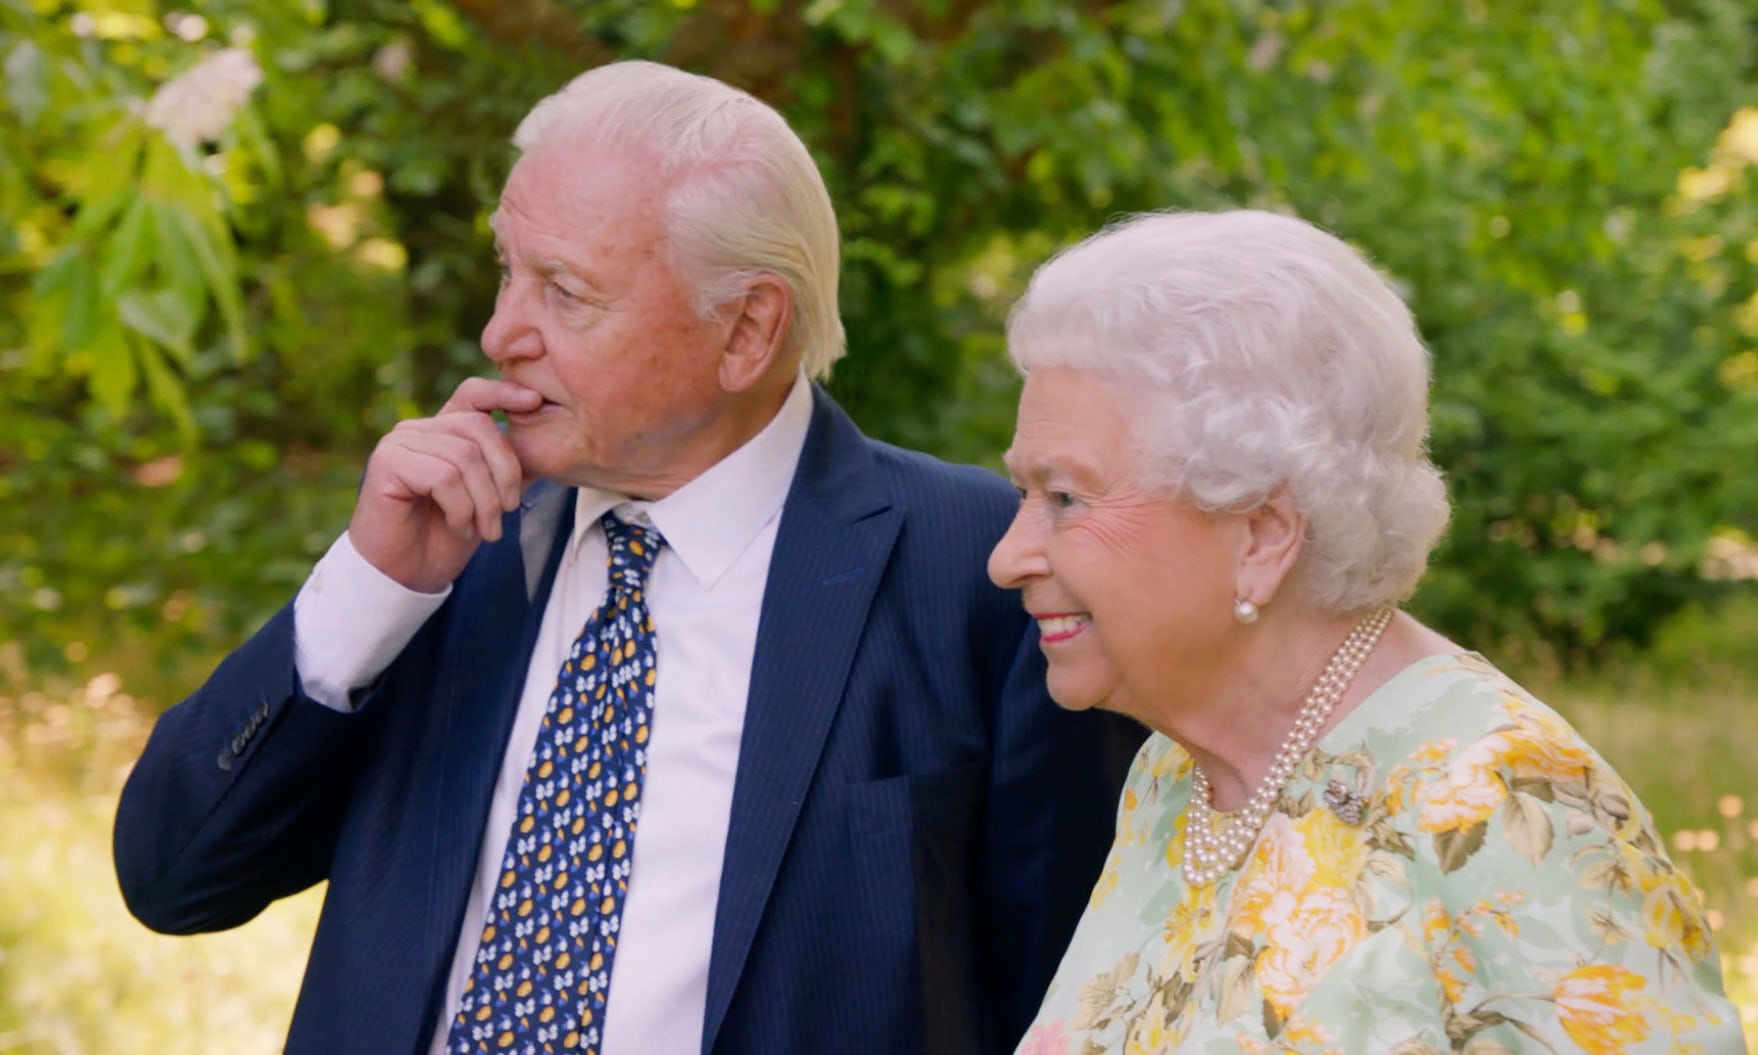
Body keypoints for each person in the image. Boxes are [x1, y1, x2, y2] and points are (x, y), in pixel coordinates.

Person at [114, 60, 1135, 1055]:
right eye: (508, 269)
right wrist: (374, 588)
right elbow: (174, 876)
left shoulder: (981, 565)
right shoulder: (453, 539)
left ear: (746, 330)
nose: (499, 330)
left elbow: (1069, 988)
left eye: (563, 290)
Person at [988, 210, 1745, 1054]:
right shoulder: (1175, 775)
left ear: (1262, 535)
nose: (1007, 557)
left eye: (1065, 498)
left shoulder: (1497, 798)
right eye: (1024, 494)